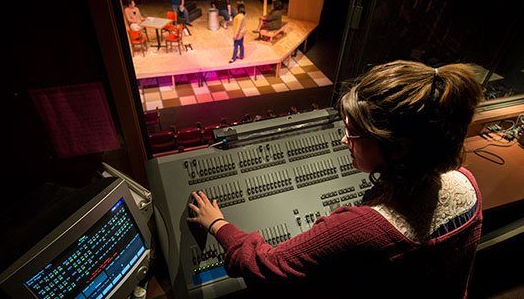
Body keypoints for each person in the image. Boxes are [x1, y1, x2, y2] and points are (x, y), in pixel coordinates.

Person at [187, 61, 484, 298]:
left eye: (353, 133)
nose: (344, 140)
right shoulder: (466, 183)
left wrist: (218, 224)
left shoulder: (358, 228)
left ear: (399, 147)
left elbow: (265, 267)